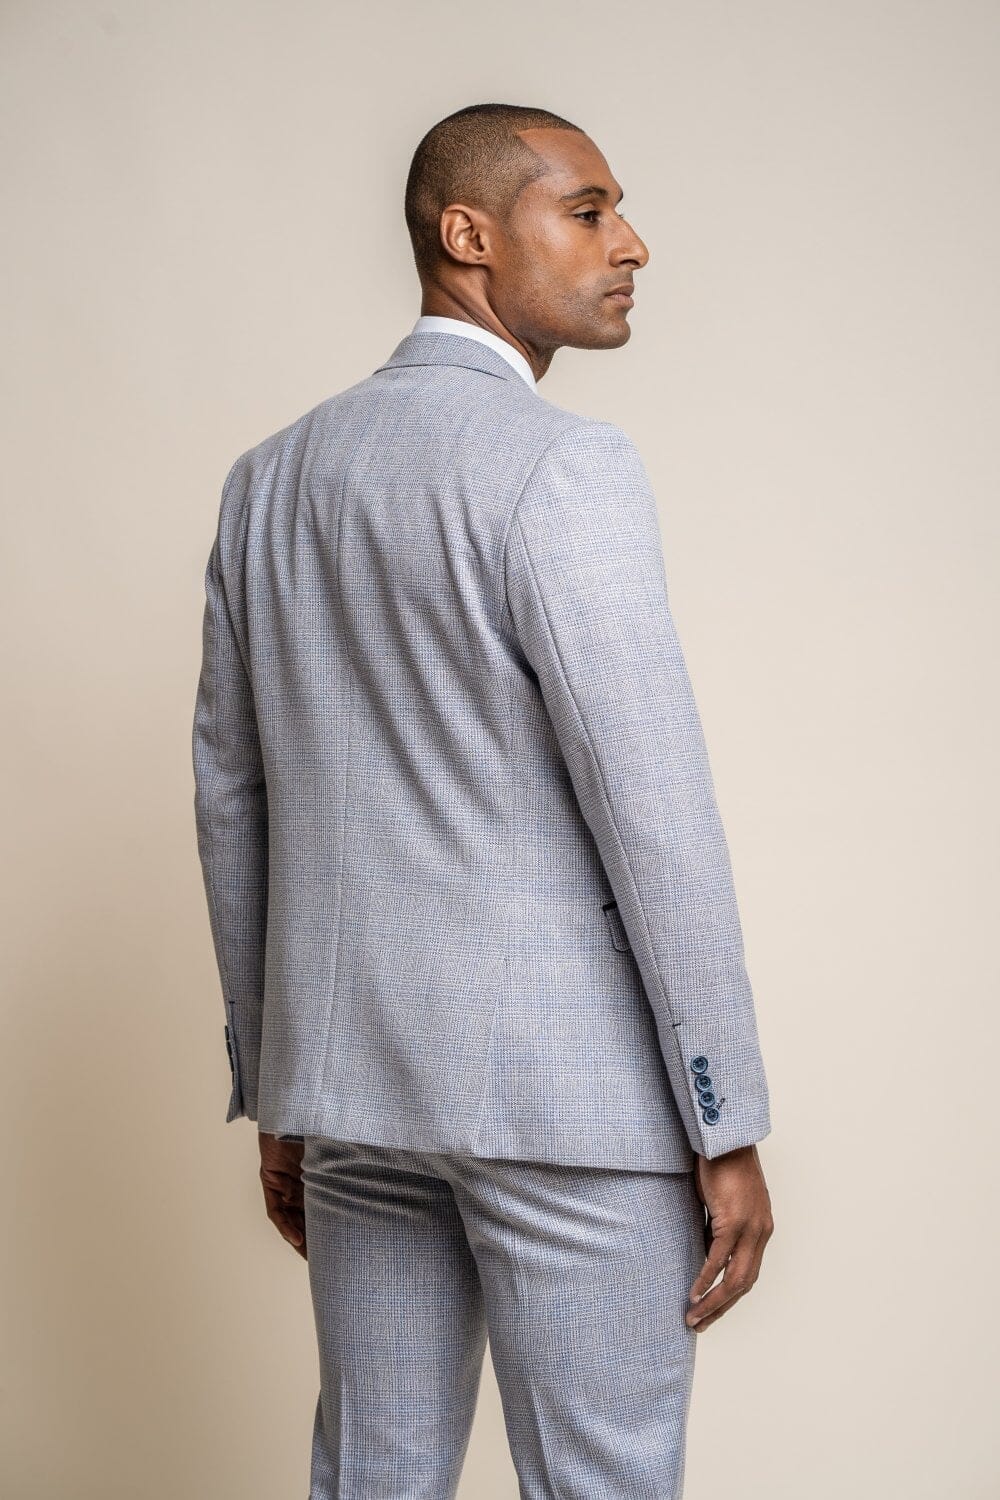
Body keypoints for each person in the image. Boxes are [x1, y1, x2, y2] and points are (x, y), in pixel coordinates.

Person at [192, 101, 775, 1499]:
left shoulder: (270, 481)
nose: (630, 245)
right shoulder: (565, 466)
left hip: (351, 1093)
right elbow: (655, 814)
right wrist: (726, 1119)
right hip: (568, 1106)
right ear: (468, 235)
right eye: (587, 210)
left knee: (372, 1479)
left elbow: (232, 795)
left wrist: (280, 1086)